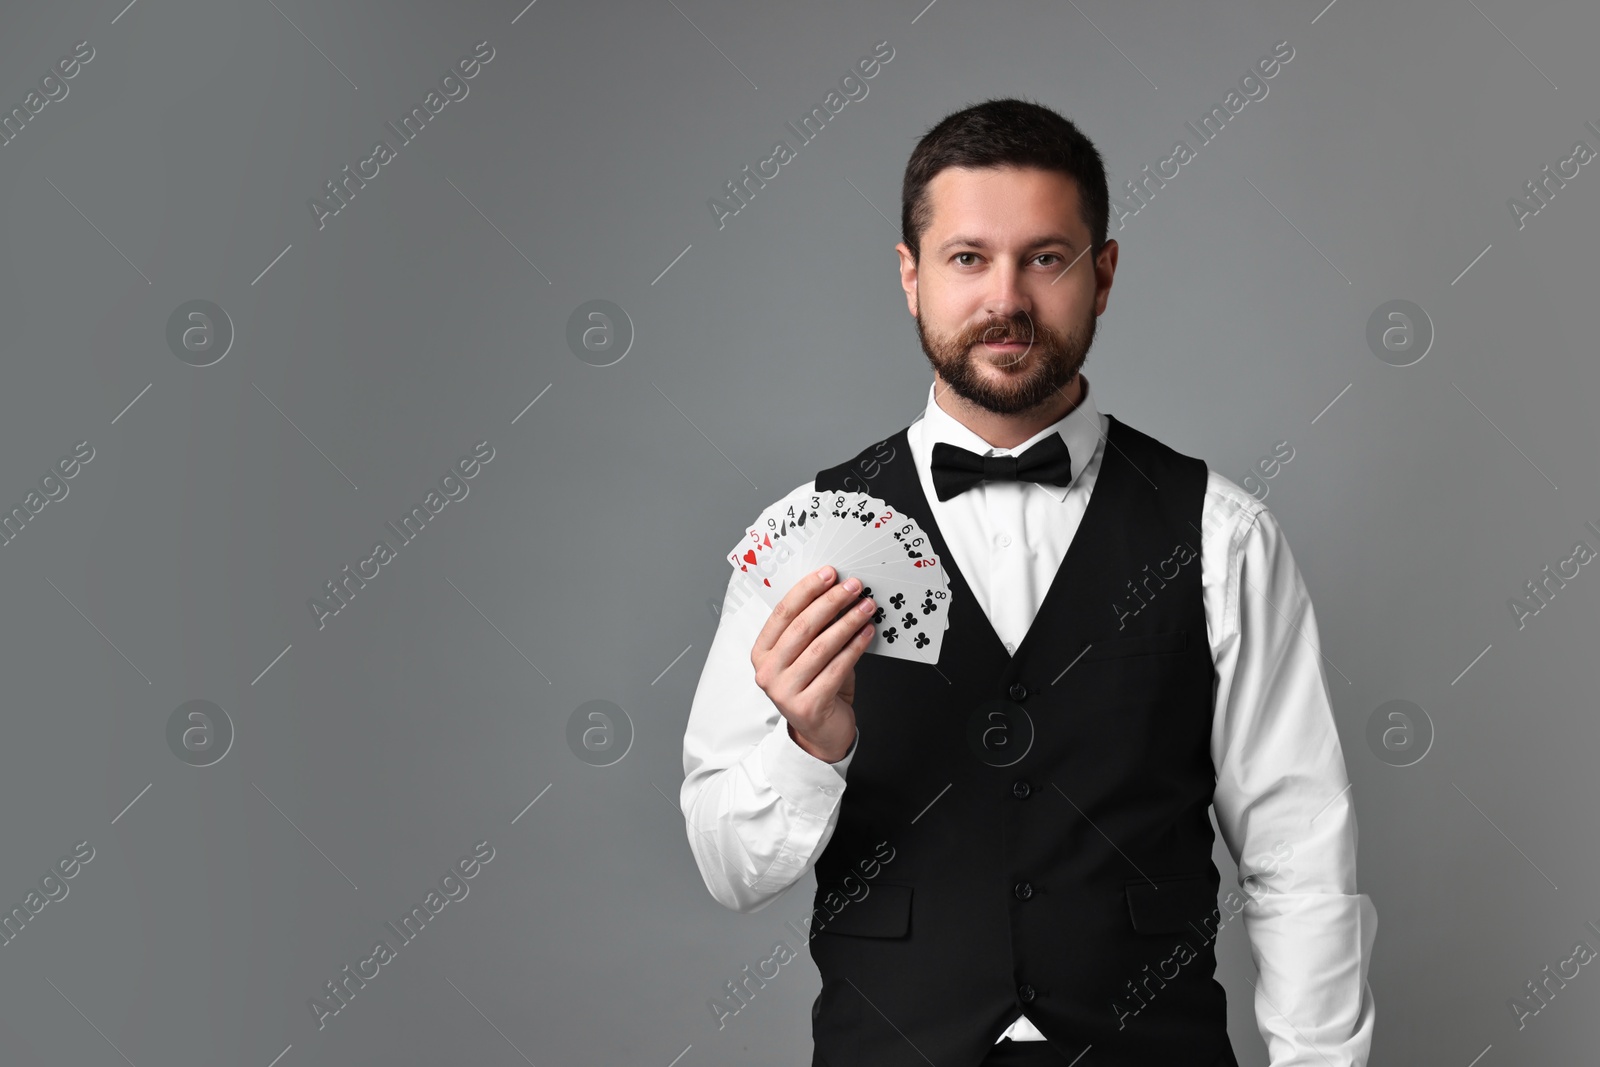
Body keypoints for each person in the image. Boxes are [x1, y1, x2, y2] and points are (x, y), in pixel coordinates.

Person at [680, 97, 1376, 1067]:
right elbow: (729, 867)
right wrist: (811, 742)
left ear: (1103, 275)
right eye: (967, 257)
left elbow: (1296, 854)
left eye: (1044, 257)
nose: (1004, 298)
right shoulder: (802, 539)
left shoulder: (1224, 533)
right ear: (910, 277)